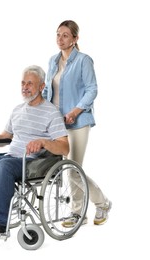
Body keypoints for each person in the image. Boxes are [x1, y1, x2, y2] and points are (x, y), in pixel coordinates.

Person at [0, 65, 69, 238]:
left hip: (33, 162)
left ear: (42, 86)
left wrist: (43, 142)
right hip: (10, 157)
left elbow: (64, 147)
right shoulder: (17, 110)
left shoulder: (52, 113)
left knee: (3, 166)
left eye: (30, 84)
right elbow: (6, 136)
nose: (25, 87)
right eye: (23, 83)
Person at [42, 20, 111, 226]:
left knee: (72, 168)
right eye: (57, 34)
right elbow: (47, 91)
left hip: (78, 121)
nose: (60, 39)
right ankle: (92, 207)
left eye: (65, 35)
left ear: (75, 39)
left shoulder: (83, 61)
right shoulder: (53, 61)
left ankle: (86, 209)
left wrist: (75, 111)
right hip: (56, 123)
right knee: (65, 168)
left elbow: (92, 89)